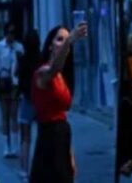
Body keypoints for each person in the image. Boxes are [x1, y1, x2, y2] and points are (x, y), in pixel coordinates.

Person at [30, 22, 87, 183]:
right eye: (60, 39)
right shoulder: (42, 72)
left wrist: (70, 155)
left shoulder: (62, 75)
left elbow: (63, 118)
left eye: (66, 39)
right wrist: (70, 41)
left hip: (61, 137)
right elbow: (53, 69)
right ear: (50, 45)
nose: (64, 42)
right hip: (49, 139)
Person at [0, 23, 25, 157]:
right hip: (3, 82)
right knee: (5, 114)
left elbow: (22, 66)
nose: (11, 35)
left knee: (14, 114)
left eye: (13, 33)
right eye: (9, 33)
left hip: (14, 84)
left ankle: (15, 146)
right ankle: (6, 146)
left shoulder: (19, 47)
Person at [15, 29, 41, 178]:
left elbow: (16, 75)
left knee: (25, 138)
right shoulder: (41, 59)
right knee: (42, 135)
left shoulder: (22, 59)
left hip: (26, 100)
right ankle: (41, 168)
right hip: (40, 100)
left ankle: (24, 170)